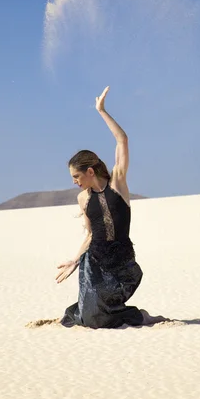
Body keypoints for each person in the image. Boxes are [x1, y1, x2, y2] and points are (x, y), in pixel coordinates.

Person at [56, 86, 155, 328]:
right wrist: (75, 260)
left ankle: (140, 315)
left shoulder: (118, 184)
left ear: (90, 171)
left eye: (76, 176)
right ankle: (115, 314)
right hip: (95, 263)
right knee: (91, 320)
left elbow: (122, 140)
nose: (74, 182)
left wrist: (101, 111)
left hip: (122, 262)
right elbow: (91, 234)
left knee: (99, 315)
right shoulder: (83, 200)